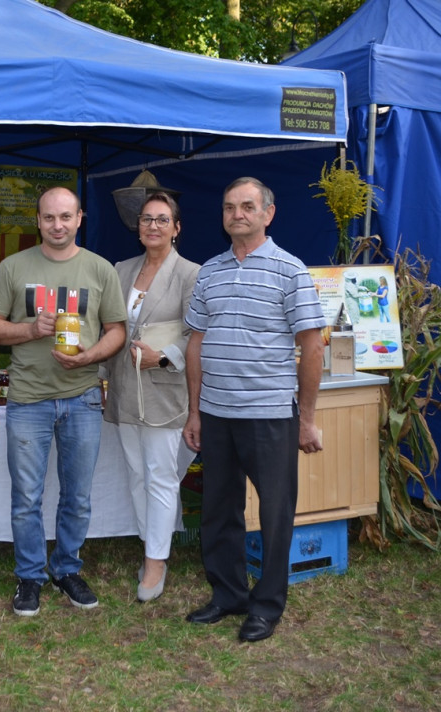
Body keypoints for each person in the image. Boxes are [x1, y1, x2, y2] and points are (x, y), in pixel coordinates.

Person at [182, 177, 326, 643]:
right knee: (219, 508)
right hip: (218, 413)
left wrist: (305, 418)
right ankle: (228, 595)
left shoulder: (291, 271)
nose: (237, 214)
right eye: (229, 207)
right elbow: (196, 343)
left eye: (247, 206)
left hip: (269, 414)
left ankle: (266, 606)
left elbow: (312, 347)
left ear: (269, 213)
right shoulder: (210, 271)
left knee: (275, 511)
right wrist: (195, 412)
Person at [0, 186, 127, 617]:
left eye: (65, 217)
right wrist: (29, 330)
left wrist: (93, 356)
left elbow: (116, 329)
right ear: (37, 221)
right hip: (28, 400)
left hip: (82, 398)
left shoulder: (100, 269)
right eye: (48, 218)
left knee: (77, 495)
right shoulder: (14, 267)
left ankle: (66, 569)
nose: (57, 225)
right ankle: (29, 576)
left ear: (80, 218)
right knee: (27, 496)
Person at [101, 192, 199, 603]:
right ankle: (150, 546)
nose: (153, 226)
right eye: (146, 219)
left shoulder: (192, 274)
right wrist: (100, 372)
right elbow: (109, 324)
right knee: (137, 474)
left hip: (166, 390)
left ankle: (156, 560)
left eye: (162, 220)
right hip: (124, 389)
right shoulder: (121, 269)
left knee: (161, 477)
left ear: (176, 228)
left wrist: (165, 358)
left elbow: (198, 334)